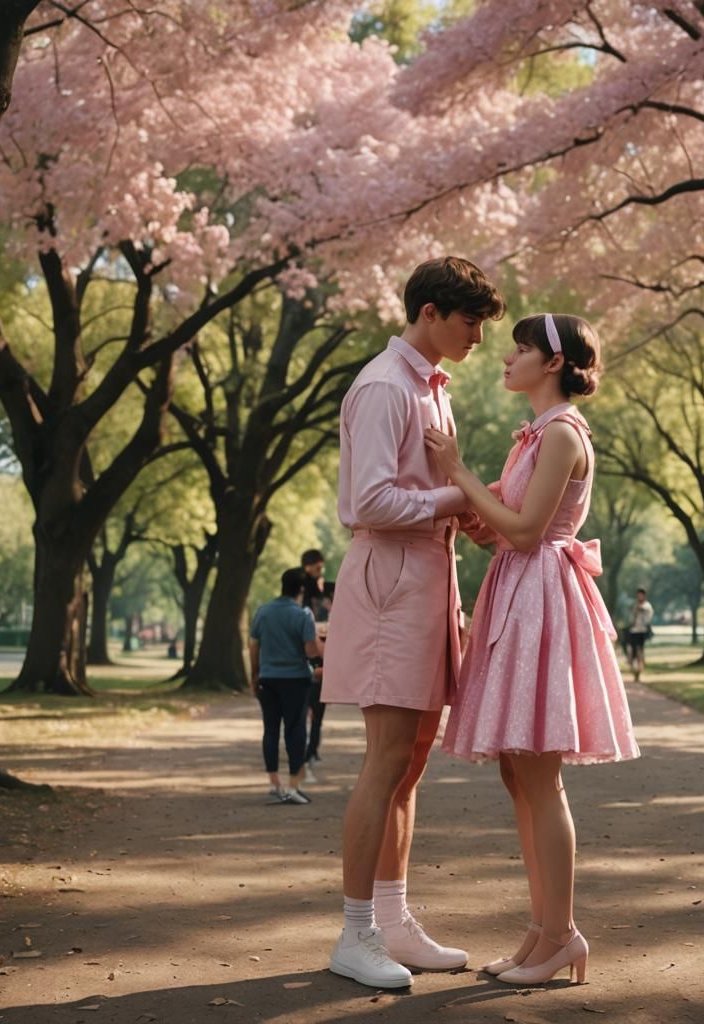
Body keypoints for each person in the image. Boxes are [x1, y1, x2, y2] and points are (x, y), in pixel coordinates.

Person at [425, 312, 641, 986]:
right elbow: (500, 528)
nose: (506, 358)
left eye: (520, 349)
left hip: (542, 597)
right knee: (517, 772)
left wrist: (458, 472)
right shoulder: (534, 437)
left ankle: (561, 935)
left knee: (540, 776)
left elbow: (523, 533)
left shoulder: (562, 435)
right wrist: (465, 501)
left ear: (552, 363)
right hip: (518, 592)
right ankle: (542, 930)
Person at [321, 257, 505, 989]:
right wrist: (454, 499)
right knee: (386, 759)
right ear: (429, 312)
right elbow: (370, 502)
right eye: (471, 323)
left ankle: (392, 921)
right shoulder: (382, 387)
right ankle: (354, 931)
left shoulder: (430, 388)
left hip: (428, 581)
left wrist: (467, 512)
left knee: (412, 762)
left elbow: (424, 493)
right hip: (392, 582)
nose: (480, 338)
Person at [249, 567, 323, 805]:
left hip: (268, 679)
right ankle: (293, 785)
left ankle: (275, 784)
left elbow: (254, 645)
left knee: (270, 730)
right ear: (301, 589)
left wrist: (255, 675)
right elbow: (310, 650)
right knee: (295, 730)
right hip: (296, 680)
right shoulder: (303, 614)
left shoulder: (263, 612)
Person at [300, 548, 334, 778]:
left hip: (327, 649)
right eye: (316, 567)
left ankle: (312, 748)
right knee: (306, 704)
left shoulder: (330, 588)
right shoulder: (301, 589)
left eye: (321, 567)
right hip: (307, 649)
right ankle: (305, 749)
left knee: (319, 705)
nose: (319, 572)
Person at [626, 587, 654, 682]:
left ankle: (639, 671)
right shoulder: (634, 605)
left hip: (641, 632)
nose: (639, 596)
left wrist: (640, 611)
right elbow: (630, 618)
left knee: (639, 651)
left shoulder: (647, 606)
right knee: (631, 651)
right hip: (633, 631)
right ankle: (635, 671)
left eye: (641, 594)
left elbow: (648, 619)